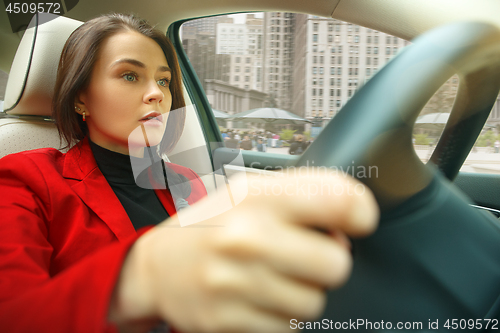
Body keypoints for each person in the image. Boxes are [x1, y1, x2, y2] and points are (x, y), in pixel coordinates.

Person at [0, 13, 379, 333]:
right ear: (81, 96)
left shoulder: (186, 181)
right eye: (130, 76)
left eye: (163, 80)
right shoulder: (24, 178)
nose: (156, 94)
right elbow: (14, 317)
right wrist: (142, 276)